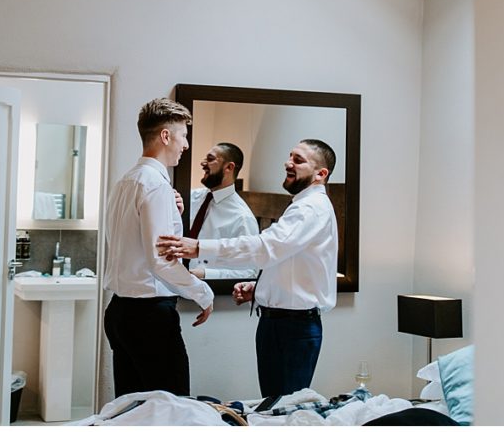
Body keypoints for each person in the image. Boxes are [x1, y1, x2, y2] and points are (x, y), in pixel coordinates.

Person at [157, 139, 338, 398]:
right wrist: (259, 288)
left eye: (298, 160)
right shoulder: (300, 205)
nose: (288, 163)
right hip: (277, 322)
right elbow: (286, 261)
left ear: (321, 174)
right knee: (271, 406)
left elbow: (267, 248)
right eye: (289, 156)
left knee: (283, 413)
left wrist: (199, 248)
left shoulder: (312, 209)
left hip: (293, 328)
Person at [103, 98, 214, 397]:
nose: (186, 145)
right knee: (172, 409)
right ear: (166, 136)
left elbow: (131, 243)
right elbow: (161, 261)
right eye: (184, 135)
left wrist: (172, 215)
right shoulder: (155, 186)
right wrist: (203, 293)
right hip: (149, 319)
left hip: (120, 313)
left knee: (132, 411)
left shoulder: (125, 183)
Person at [185, 142, 259, 280]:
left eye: (210, 159)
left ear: (229, 167)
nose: (203, 163)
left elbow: (250, 272)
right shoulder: (190, 198)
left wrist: (206, 274)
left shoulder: (242, 218)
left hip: (212, 292)